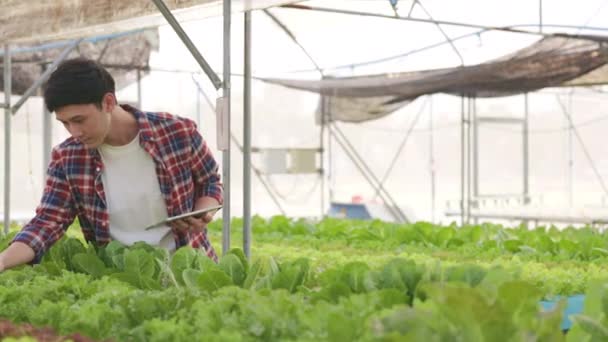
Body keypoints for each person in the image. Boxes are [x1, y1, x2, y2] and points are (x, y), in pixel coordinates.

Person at [0, 58, 222, 272]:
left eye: (79, 120)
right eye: (65, 123)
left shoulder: (177, 133)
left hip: (189, 272)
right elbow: (47, 222)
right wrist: (2, 261)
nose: (74, 132)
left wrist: (203, 210)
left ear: (108, 102)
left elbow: (210, 181)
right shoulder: (67, 158)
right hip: (120, 279)